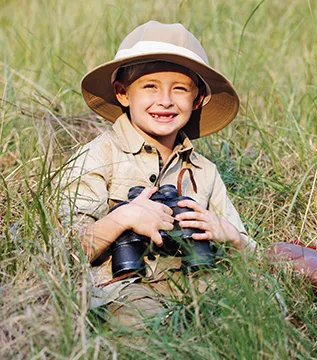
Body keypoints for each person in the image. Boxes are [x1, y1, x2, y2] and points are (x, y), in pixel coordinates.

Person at [61, 21, 256, 327]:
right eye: (150, 86)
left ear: (198, 99)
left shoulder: (204, 172)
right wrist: (124, 219)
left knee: (251, 316)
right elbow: (66, 252)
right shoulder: (98, 157)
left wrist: (228, 234)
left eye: (179, 89)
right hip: (121, 289)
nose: (165, 100)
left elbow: (252, 258)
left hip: (195, 288)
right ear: (123, 93)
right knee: (148, 328)